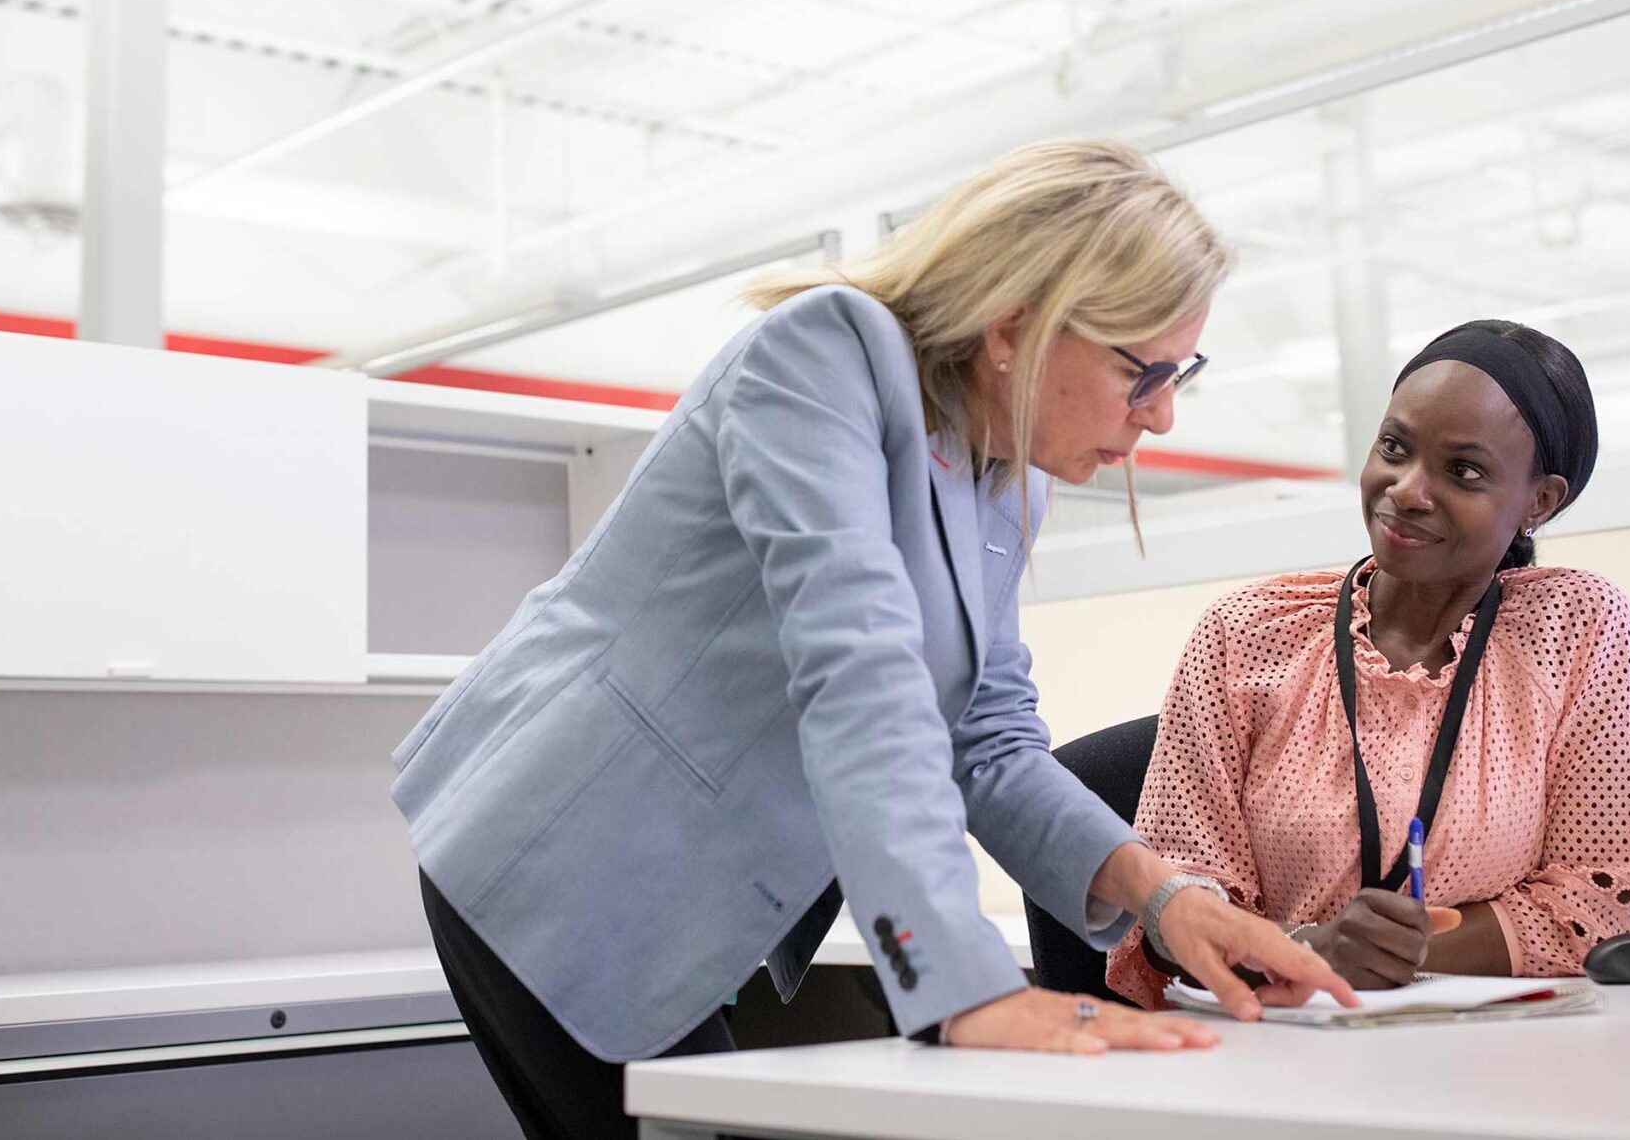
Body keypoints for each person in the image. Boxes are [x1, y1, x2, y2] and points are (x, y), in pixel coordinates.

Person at [393, 139, 1354, 1140]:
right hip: (566, 851)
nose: (1159, 414)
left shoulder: (1006, 467)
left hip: (688, 891)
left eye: (1180, 374)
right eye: (1142, 371)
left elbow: (985, 736)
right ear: (1016, 327)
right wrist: (963, 989)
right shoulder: (822, 357)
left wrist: (1164, 896)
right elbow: (861, 674)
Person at [1108, 320, 1630, 1004]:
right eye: (1394, 447)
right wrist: (1319, 951)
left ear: (1540, 501)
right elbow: (1175, 910)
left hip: (1502, 1058)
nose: (1407, 489)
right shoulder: (1244, 634)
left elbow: (1596, 901)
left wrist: (1409, 951)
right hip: (1280, 1045)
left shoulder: (1577, 627)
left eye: (1463, 470)